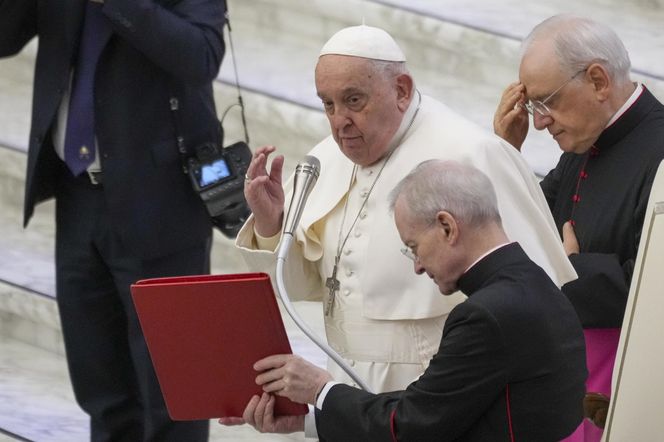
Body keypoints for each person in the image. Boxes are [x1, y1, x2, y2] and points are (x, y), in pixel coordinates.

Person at [236, 24, 577, 395]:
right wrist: (272, 225)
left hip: (442, 392)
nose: (339, 121)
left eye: (354, 100)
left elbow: (532, 303)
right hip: (343, 391)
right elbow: (304, 286)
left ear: (401, 90)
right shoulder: (326, 159)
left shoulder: (470, 156)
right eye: (328, 104)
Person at [222, 160, 588, 441]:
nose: (416, 266)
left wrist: (320, 389)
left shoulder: (487, 314)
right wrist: (307, 420)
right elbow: (439, 408)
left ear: (447, 227)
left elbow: (413, 426)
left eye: (414, 247)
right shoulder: (533, 282)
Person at [0, 0, 227, 440]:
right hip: (77, 193)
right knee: (102, 395)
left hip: (160, 201)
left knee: (173, 399)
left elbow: (201, 55)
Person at [493, 14, 664, 441]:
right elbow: (525, 225)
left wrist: (570, 267)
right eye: (531, 106)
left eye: (545, 102)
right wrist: (505, 153)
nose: (538, 123)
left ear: (598, 81)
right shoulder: (585, 138)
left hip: (632, 388)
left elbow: (653, 292)